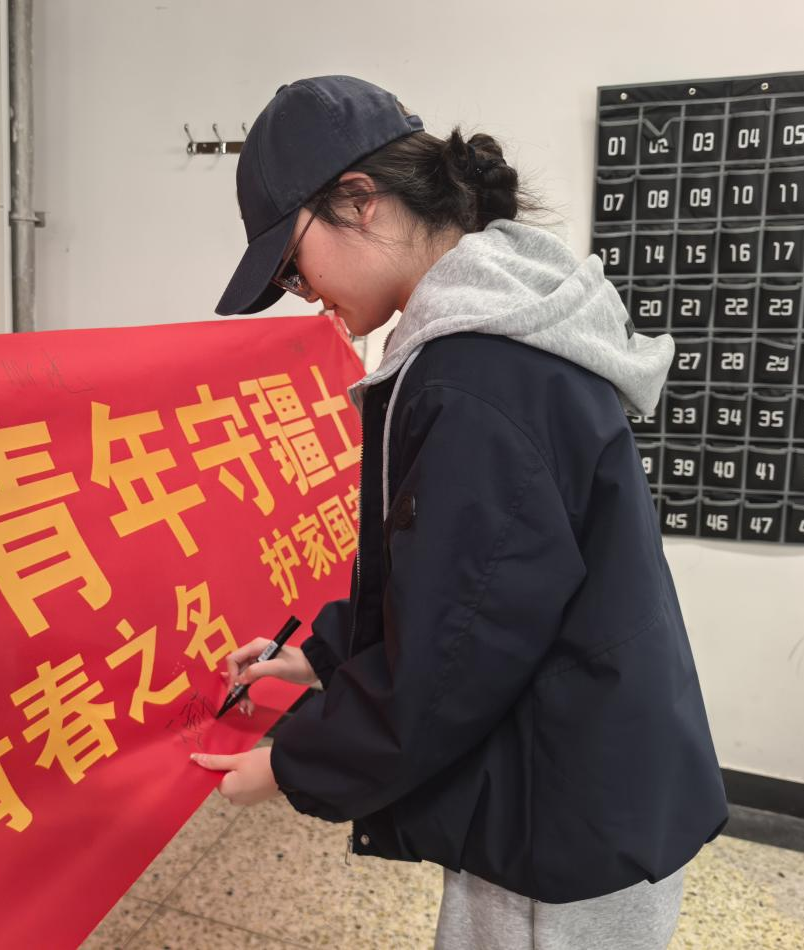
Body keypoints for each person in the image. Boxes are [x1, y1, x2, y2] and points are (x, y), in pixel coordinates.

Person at [190, 75, 728, 949]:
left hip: (561, 812)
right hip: (590, 758)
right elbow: (469, 581)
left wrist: (291, 765)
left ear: (358, 201)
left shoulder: (474, 371)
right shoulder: (514, 328)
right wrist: (319, 656)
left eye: (291, 263)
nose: (302, 292)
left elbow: (459, 647)